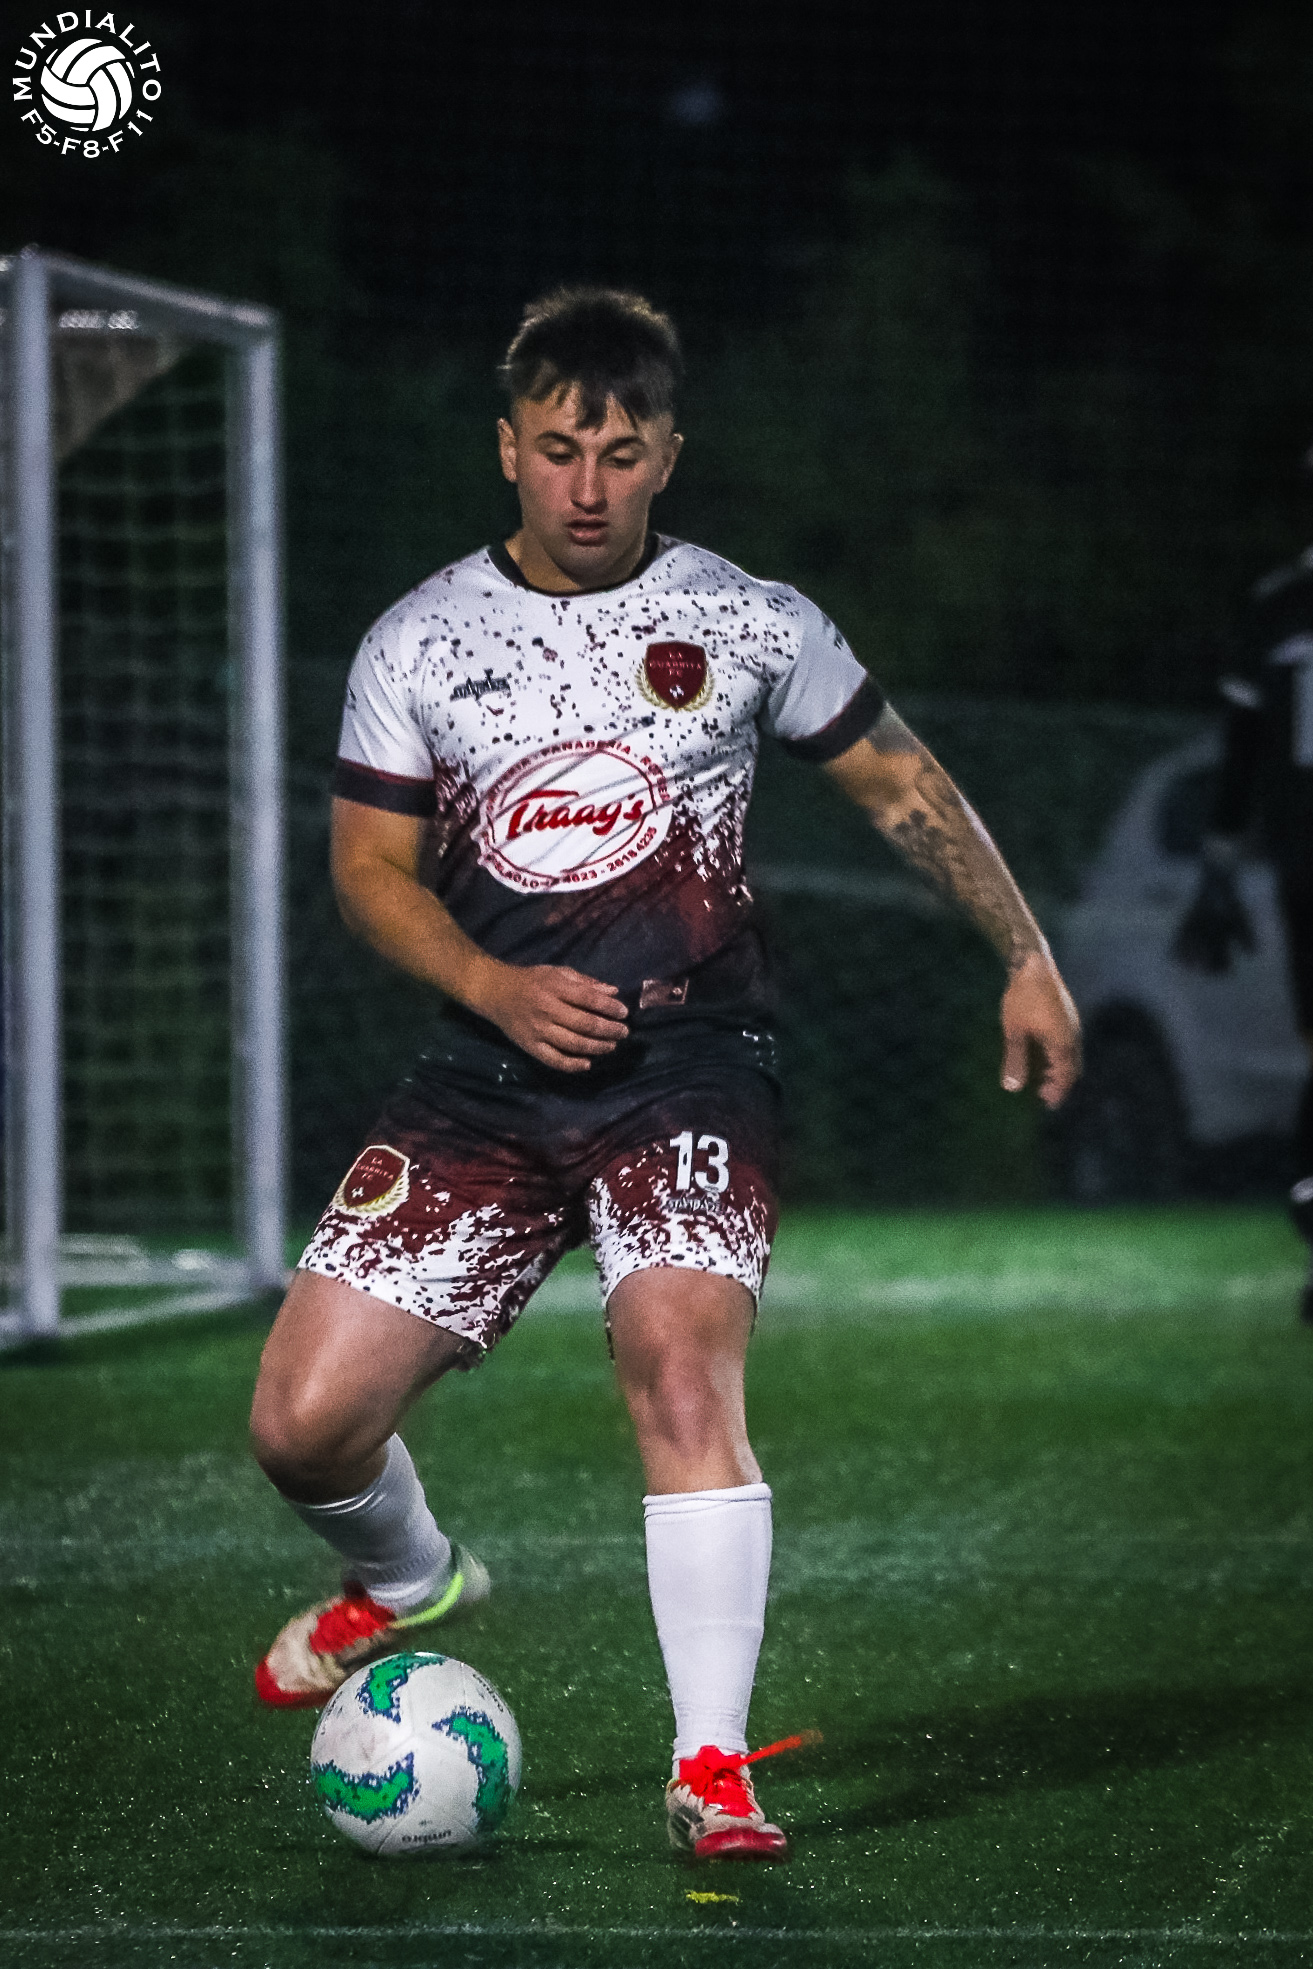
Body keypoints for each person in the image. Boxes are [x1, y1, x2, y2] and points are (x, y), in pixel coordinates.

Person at [249, 286, 1081, 1860]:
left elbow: (902, 783)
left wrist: (1024, 952)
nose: (588, 485)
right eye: (559, 448)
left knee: (679, 1368)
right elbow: (365, 871)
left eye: (621, 453)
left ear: (668, 456)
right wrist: (493, 985)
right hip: (484, 1072)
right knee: (300, 1425)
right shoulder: (419, 639)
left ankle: (712, 1767)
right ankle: (414, 1577)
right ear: (508, 448)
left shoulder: (751, 619)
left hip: (689, 1067)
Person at [1174, 513, 1313, 1322]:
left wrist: (1219, 864)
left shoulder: (1281, 605)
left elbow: (1243, 745)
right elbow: (1243, 743)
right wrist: (1219, 864)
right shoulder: (1278, 605)